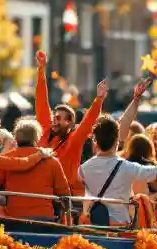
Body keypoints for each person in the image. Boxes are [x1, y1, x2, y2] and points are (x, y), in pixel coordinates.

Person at [34, 50, 108, 195]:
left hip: (65, 196)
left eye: (60, 118)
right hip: (42, 191)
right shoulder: (46, 131)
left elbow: (87, 123)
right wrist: (41, 70)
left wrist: (99, 99)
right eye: (55, 117)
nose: (55, 121)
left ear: (69, 123)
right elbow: (41, 102)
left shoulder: (74, 140)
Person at [79, 115, 157, 227]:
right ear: (117, 140)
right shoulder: (127, 167)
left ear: (95, 141)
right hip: (119, 228)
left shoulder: (83, 169)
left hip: (91, 227)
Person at [0, 118, 71, 221]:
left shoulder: (6, 159)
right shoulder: (52, 161)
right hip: (44, 219)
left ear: (16, 138)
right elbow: (65, 195)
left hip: (14, 218)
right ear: (37, 138)